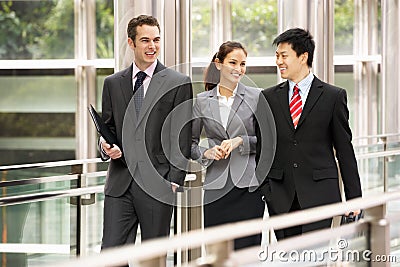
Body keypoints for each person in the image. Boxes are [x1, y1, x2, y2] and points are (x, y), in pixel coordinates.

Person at [98, 14, 193, 263]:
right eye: (145, 40)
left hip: (158, 184)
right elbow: (107, 128)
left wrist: (173, 180)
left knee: (153, 258)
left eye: (156, 40)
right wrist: (106, 147)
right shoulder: (112, 83)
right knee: (111, 255)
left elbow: (183, 136)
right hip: (120, 184)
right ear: (131, 43)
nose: (152, 46)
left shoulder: (178, 83)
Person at [255, 28, 362, 240]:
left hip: (320, 196)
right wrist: (268, 192)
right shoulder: (267, 98)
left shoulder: (333, 96)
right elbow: (263, 150)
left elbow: (344, 149)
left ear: (303, 56)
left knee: (315, 258)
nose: (278, 62)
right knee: (289, 259)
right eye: (277, 56)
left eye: (284, 55)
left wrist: (354, 197)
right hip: (281, 197)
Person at [191, 41, 268, 249]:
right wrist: (206, 152)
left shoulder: (257, 96)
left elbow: (267, 141)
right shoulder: (202, 100)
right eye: (233, 62)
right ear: (219, 64)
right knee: (218, 253)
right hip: (216, 187)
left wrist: (241, 141)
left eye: (243, 64)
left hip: (248, 188)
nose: (239, 69)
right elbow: (190, 144)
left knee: (247, 253)